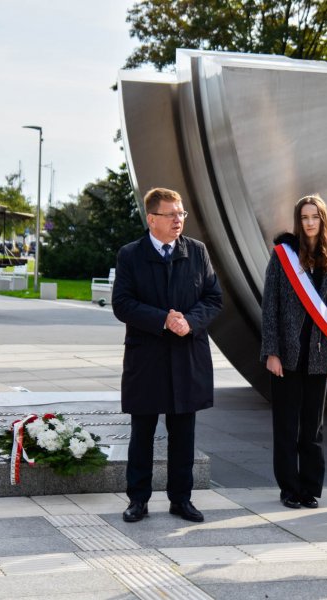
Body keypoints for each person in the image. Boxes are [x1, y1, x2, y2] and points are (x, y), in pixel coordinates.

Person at [112, 187, 223, 524]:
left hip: (187, 356)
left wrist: (189, 321)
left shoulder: (197, 251)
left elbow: (213, 297)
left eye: (181, 213)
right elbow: (122, 303)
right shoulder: (130, 255)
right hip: (147, 359)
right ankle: (138, 500)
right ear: (151, 219)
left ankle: (181, 500)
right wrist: (163, 319)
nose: (179, 220)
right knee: (142, 433)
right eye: (171, 214)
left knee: (183, 435)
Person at [261, 195, 327, 510]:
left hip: (320, 355)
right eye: (305, 217)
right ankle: (289, 488)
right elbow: (269, 305)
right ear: (298, 222)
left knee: (313, 426)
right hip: (286, 354)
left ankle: (310, 487)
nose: (310, 222)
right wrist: (271, 351)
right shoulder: (283, 256)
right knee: (286, 424)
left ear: (322, 220)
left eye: (315, 217)